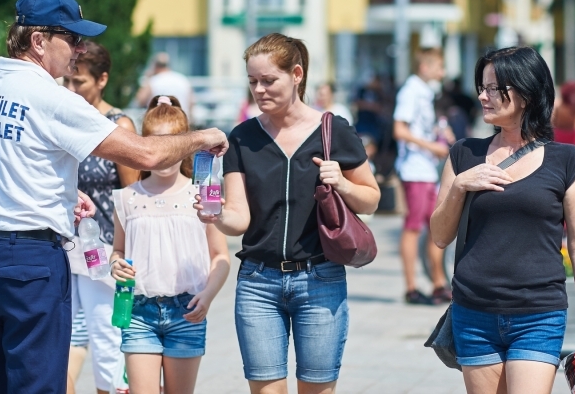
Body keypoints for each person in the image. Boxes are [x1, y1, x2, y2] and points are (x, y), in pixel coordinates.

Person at [0, 0, 227, 394]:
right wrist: (203, 137)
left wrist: (58, 194)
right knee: (37, 385)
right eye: (72, 38)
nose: (79, 50)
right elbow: (146, 155)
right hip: (26, 262)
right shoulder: (52, 98)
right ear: (39, 41)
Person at [197, 33, 380, 394]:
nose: (259, 90)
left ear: (296, 74)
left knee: (317, 388)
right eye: (252, 82)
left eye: (268, 80)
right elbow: (240, 219)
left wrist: (341, 183)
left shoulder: (333, 131)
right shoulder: (243, 137)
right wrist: (215, 214)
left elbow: (371, 199)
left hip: (320, 279)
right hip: (258, 284)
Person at [430, 46, 575, 394]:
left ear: (525, 93)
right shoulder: (464, 154)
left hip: (538, 313)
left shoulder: (567, 161)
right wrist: (461, 186)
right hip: (474, 312)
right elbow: (439, 235)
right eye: (482, 86)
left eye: (494, 88)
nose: (482, 95)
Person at [109, 95, 230, 394]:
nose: (165, 152)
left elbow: (220, 257)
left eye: (173, 143)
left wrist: (208, 295)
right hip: (138, 312)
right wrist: (115, 264)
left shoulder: (201, 196)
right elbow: (118, 249)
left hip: (187, 311)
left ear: (186, 146)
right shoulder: (126, 197)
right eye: (157, 143)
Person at [64, 41, 140, 394]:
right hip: (64, 248)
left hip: (104, 252)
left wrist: (125, 255)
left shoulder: (116, 124)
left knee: (107, 343)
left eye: (78, 82)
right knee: (66, 340)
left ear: (102, 80)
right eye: (67, 81)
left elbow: (132, 197)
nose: (71, 89)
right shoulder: (63, 117)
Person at [393, 48, 452, 305]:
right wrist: (432, 147)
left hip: (426, 169)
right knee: (413, 226)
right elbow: (399, 130)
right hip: (414, 168)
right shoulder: (410, 91)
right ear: (425, 68)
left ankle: (438, 283)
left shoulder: (426, 92)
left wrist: (442, 132)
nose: (443, 72)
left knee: (434, 225)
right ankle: (411, 287)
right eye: (439, 66)